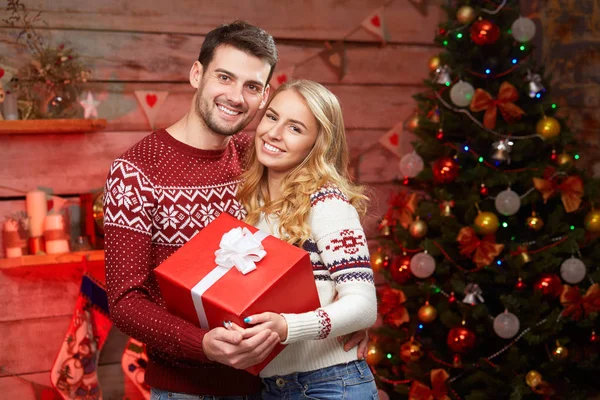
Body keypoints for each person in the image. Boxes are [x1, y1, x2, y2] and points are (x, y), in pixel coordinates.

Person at [103, 21, 367, 400]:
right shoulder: (137, 171)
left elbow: (321, 240)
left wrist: (338, 320)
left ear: (264, 96)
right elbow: (126, 301)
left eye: (251, 86)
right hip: (188, 389)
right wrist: (203, 344)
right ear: (197, 74)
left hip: (274, 382)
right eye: (224, 77)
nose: (236, 96)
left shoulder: (260, 155)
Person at [236, 79, 379, 399]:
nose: (273, 133)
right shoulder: (249, 209)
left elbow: (363, 305)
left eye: (295, 128)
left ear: (319, 144)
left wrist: (288, 328)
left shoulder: (326, 204)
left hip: (331, 384)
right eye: (272, 117)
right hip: (272, 388)